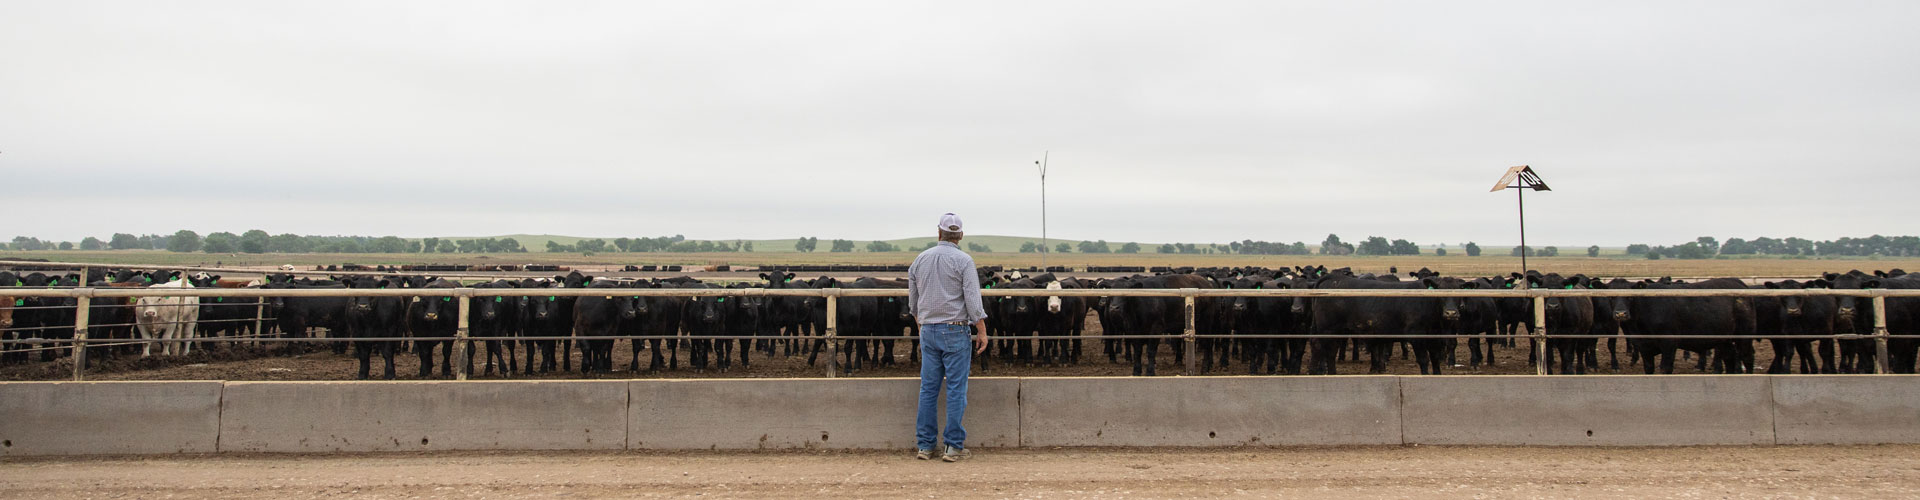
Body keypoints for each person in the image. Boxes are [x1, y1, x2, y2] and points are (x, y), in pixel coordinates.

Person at [907, 212, 989, 462]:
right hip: (954, 329)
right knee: (955, 388)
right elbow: (973, 301)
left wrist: (921, 323)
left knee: (928, 389)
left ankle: (925, 445)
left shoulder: (920, 260)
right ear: (960, 235)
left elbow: (913, 302)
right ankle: (953, 447)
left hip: (928, 329)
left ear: (939, 232)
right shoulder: (964, 261)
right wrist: (982, 330)